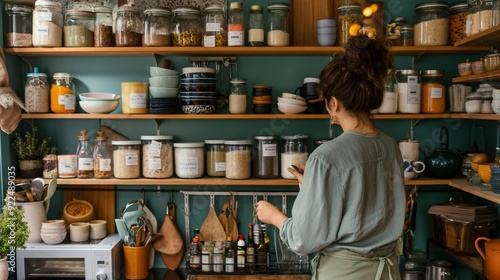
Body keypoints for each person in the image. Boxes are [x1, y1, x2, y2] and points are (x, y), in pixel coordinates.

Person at [255, 34, 405, 280]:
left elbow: (304, 239)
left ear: (333, 103)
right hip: (388, 272)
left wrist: (274, 217)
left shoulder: (326, 157)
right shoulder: (390, 146)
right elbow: (366, 204)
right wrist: (312, 186)